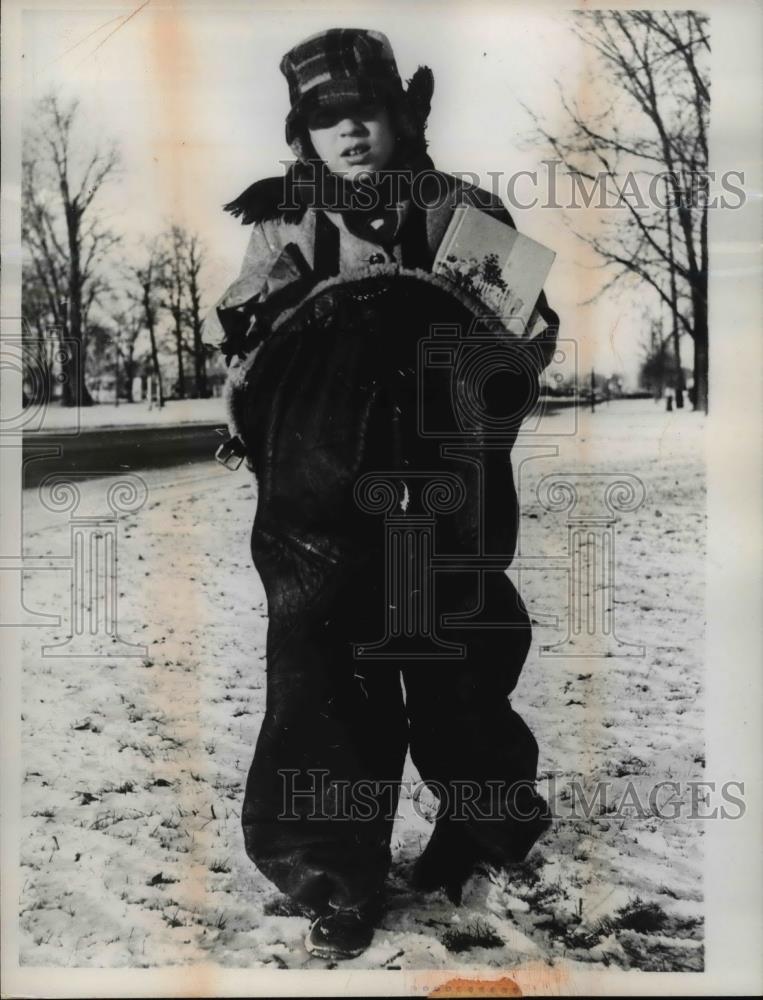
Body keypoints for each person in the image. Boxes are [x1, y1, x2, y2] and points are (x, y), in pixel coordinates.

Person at [211, 27, 560, 961]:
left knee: (460, 666)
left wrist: (496, 350)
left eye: (363, 112)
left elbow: (528, 343)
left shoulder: (464, 212)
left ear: (401, 115)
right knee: (320, 679)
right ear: (305, 135)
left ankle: (482, 833)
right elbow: (246, 356)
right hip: (320, 501)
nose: (349, 134)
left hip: (447, 486)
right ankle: (331, 871)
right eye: (326, 121)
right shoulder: (282, 223)